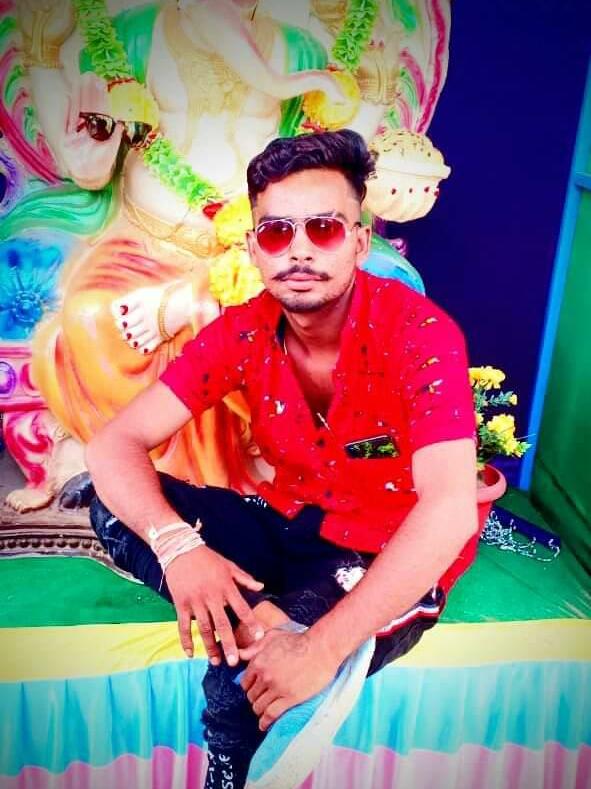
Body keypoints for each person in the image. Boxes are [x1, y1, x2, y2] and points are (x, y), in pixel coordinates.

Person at [87, 129, 478, 789]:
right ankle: (266, 614)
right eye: (276, 232)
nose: (298, 249)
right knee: (108, 496)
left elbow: (448, 510)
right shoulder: (243, 329)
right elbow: (114, 442)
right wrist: (179, 548)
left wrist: (320, 647)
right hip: (286, 521)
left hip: (382, 547)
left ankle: (281, 650)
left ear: (359, 242)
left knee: (249, 680)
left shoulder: (419, 334)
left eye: (323, 228)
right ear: (253, 247)